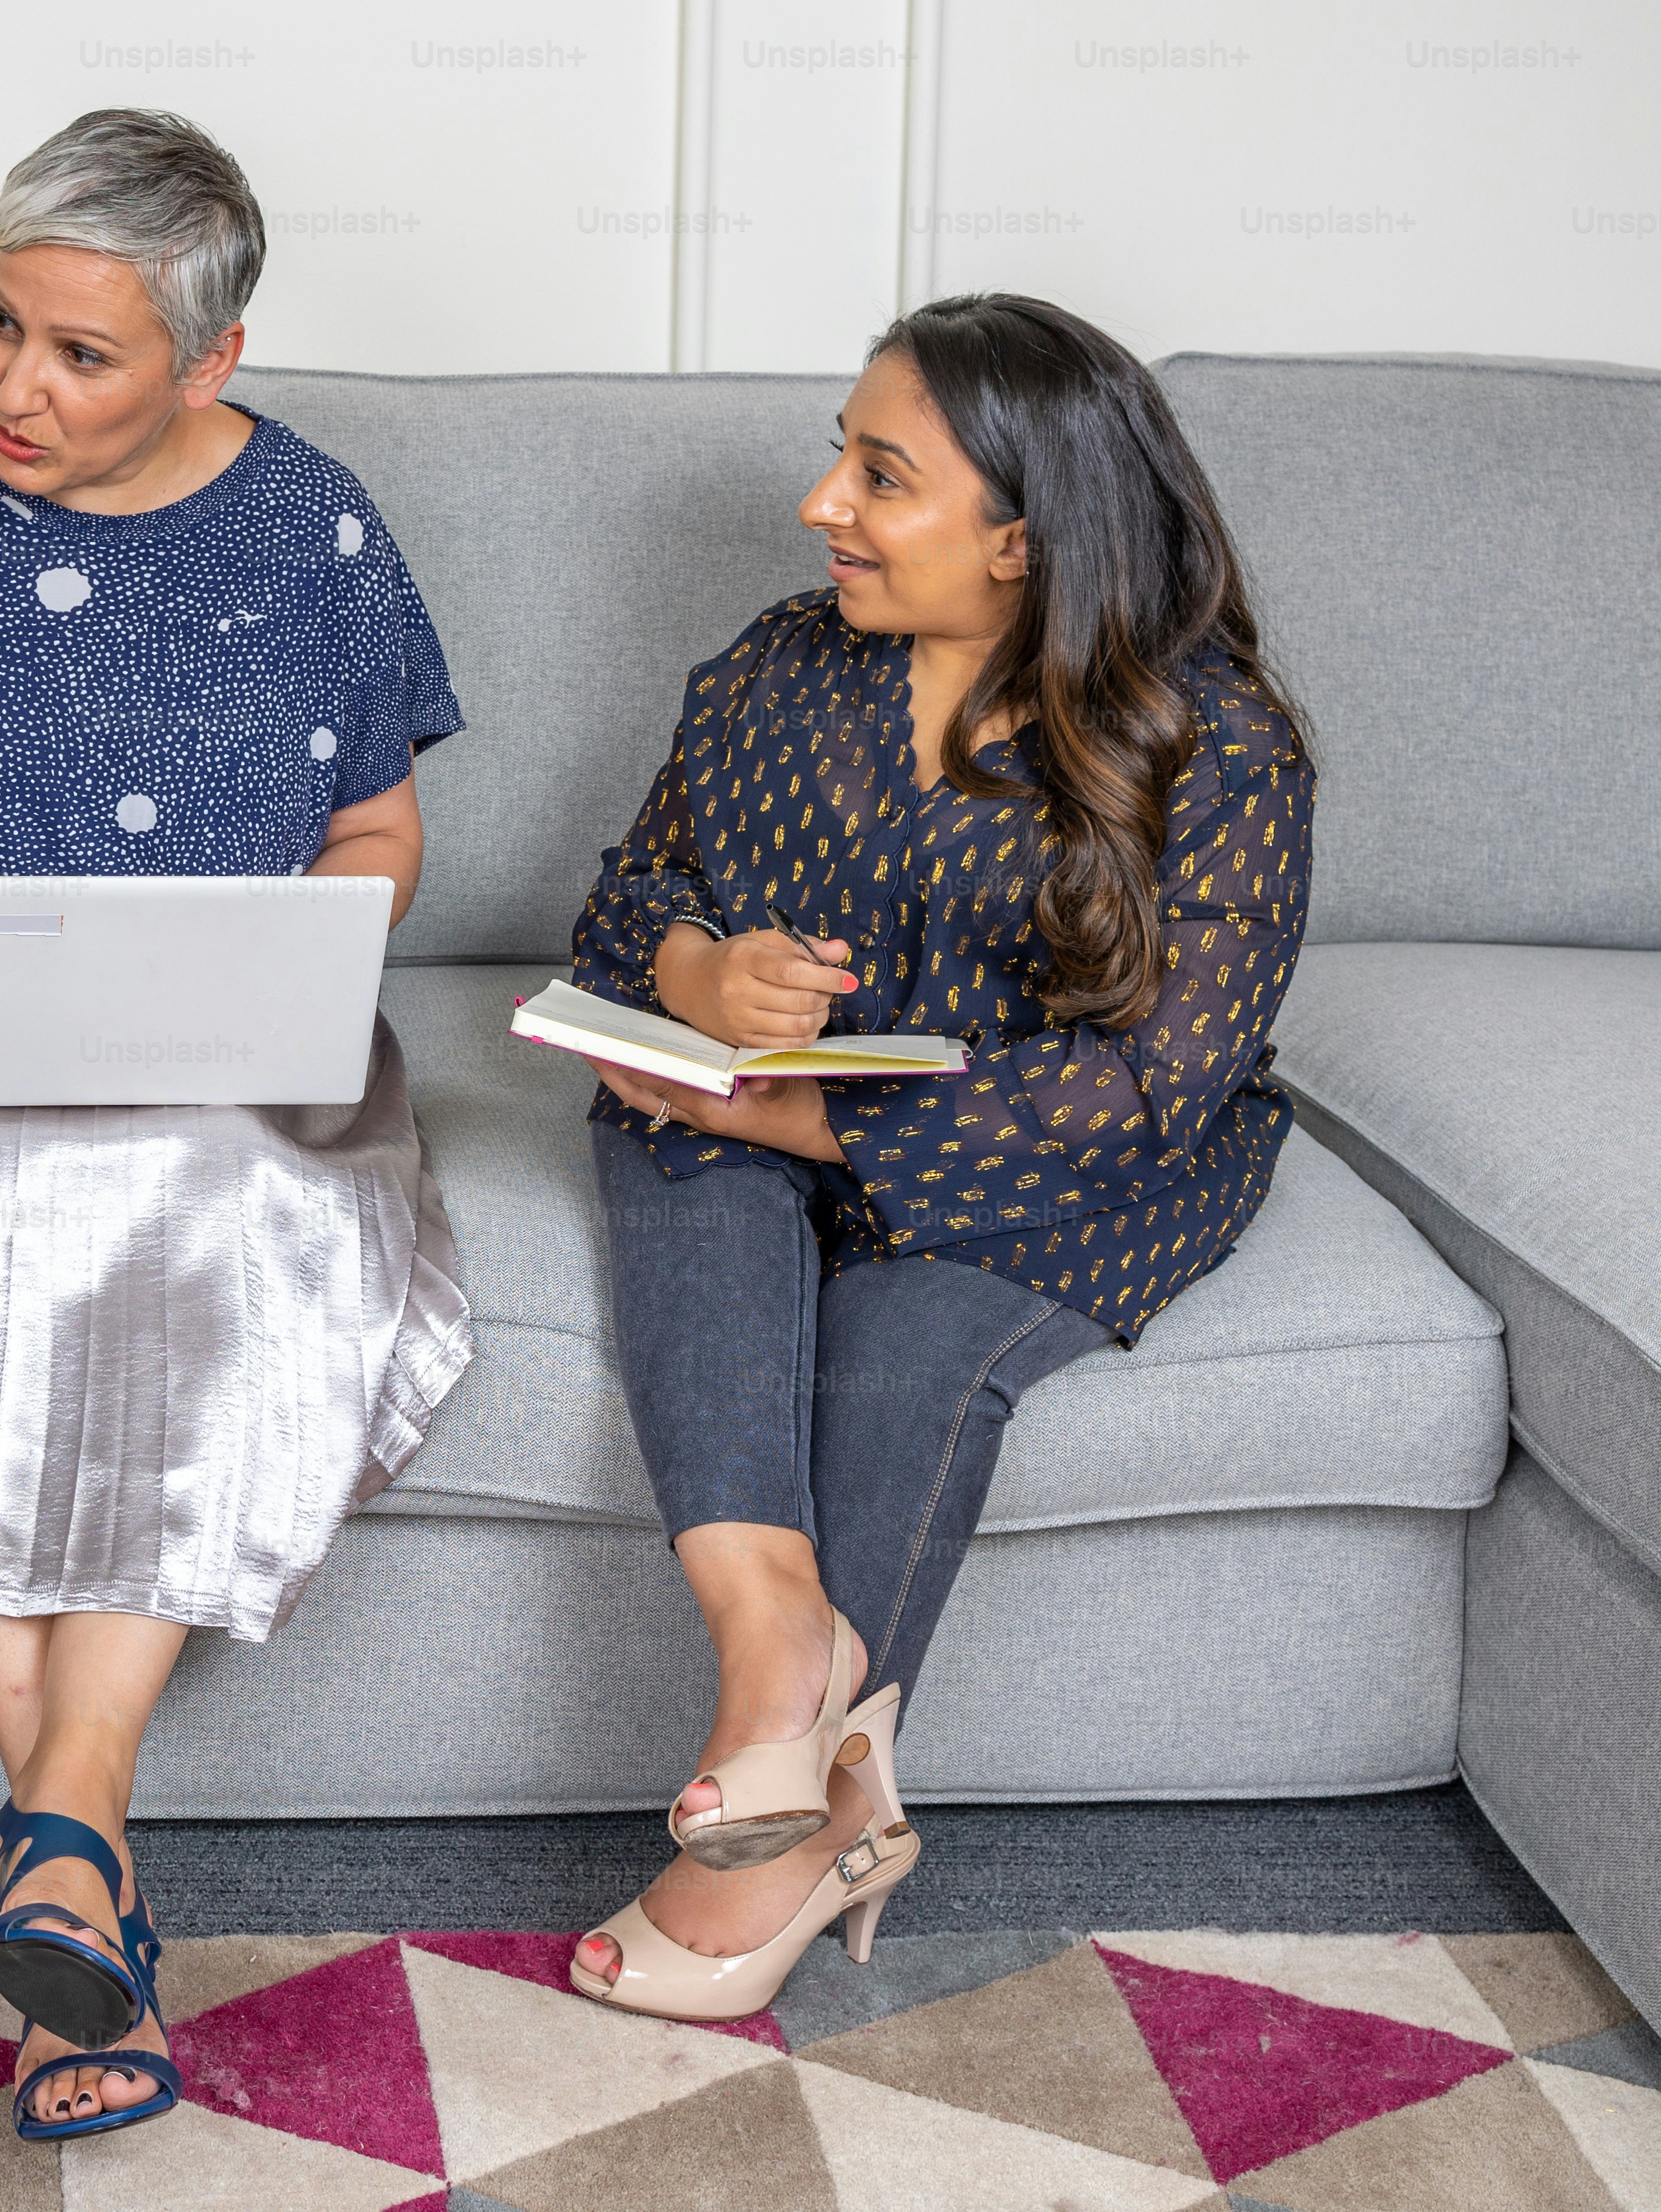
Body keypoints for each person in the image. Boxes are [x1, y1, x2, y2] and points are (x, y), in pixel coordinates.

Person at [0, 110, 475, 2139]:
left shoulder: (317, 531)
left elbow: (381, 829)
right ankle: (76, 1859)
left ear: (213, 363)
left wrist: (297, 949)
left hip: (241, 1073)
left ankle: (57, 1836)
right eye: (0, 324)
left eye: (80, 355)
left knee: (209, 1190)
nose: (13, 389)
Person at [561, 293, 1316, 2020]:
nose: (823, 500)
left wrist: (794, 1108)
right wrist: (699, 977)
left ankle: (807, 1826)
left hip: (1052, 1170)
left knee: (903, 1344)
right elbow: (633, 899)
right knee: (673, 1142)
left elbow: (1143, 1090)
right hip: (756, 1116)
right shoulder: (780, 669)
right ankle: (782, 1657)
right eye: (843, 452)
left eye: (878, 473)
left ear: (1025, 541)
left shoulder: (1220, 744)